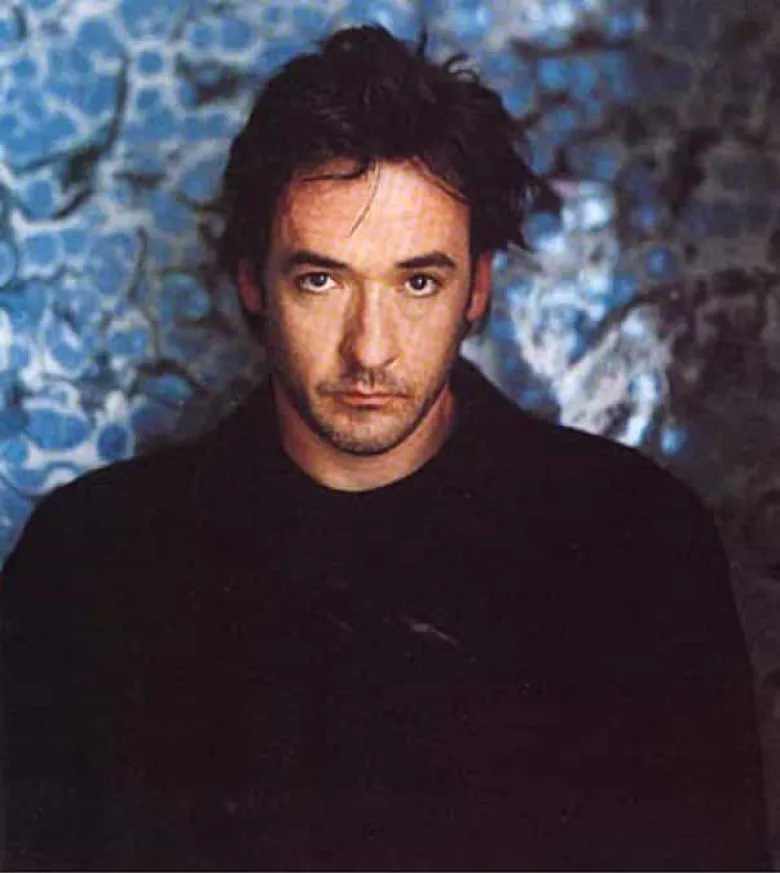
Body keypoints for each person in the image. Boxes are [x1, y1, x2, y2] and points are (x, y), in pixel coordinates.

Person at [0, 24, 769, 871]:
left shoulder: (639, 544)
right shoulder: (89, 560)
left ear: (477, 288)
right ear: (252, 280)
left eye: (418, 281)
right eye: (321, 279)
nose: (370, 348)